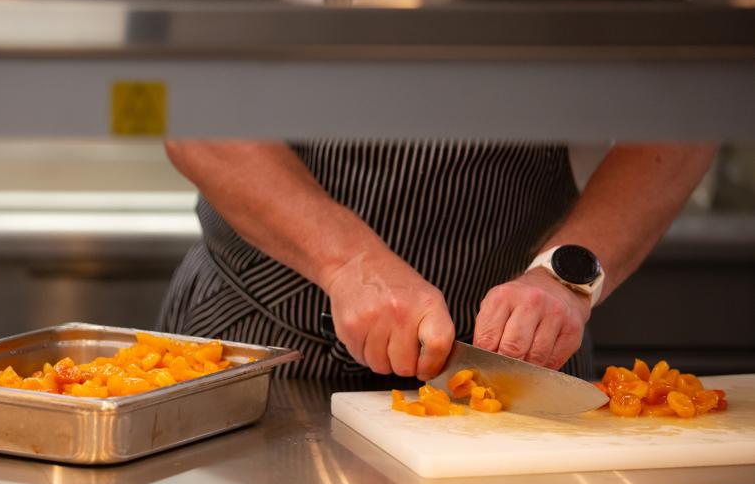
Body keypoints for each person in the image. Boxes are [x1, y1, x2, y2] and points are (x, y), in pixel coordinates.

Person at [157, 140, 715, 381]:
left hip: (523, 359)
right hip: (258, 339)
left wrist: (564, 276)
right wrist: (348, 262)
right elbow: (178, 99)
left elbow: (691, 104)